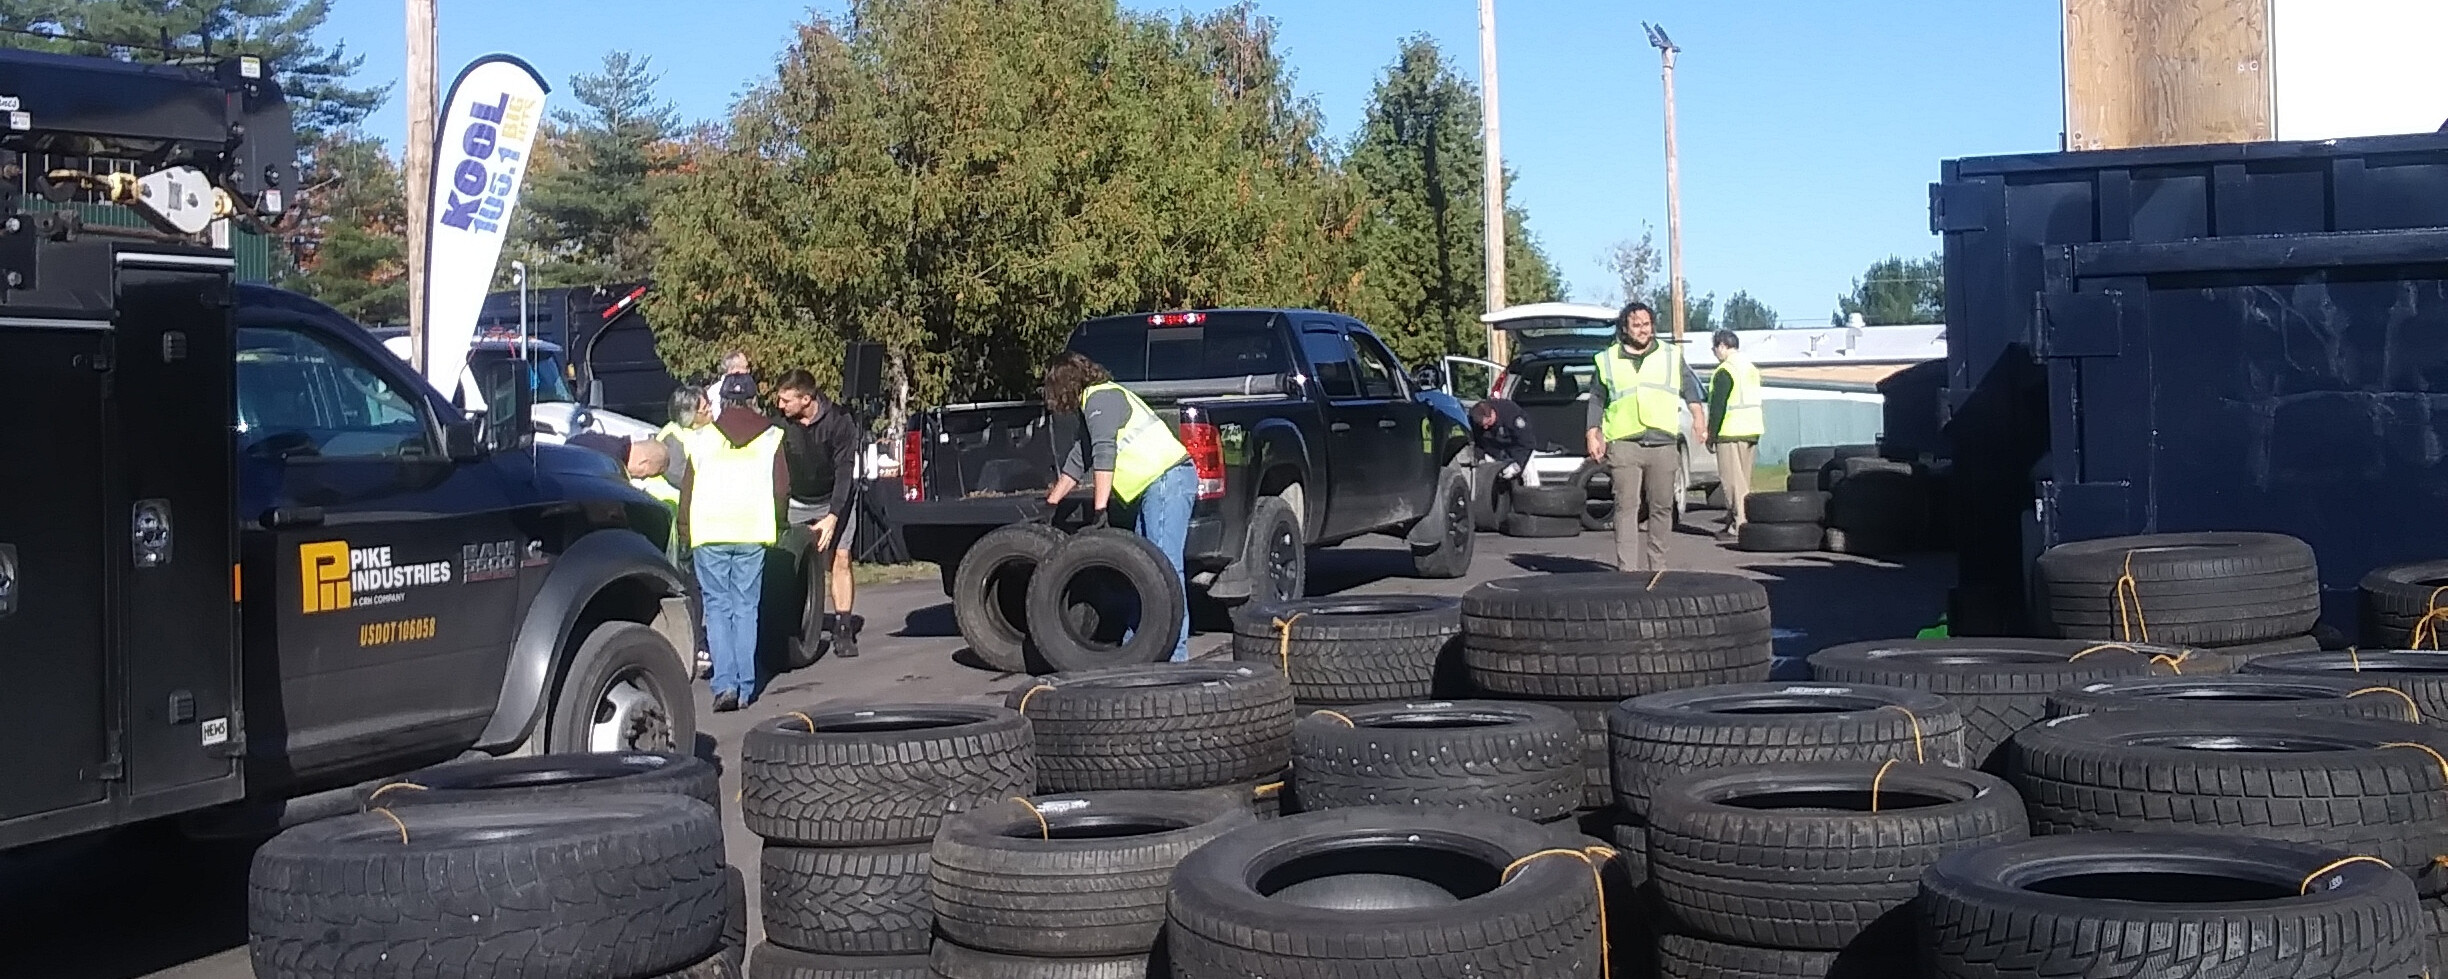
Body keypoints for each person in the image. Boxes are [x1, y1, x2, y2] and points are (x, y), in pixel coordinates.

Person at [1039, 351, 1195, 662]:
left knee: (1163, 570)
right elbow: (1080, 457)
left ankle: (1174, 655)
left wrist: (1099, 510)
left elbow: (1104, 453)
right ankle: (1139, 645)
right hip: (1153, 487)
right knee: (1143, 568)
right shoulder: (1094, 403)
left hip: (1167, 481)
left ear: (1065, 384)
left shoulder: (1101, 399)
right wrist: (1052, 502)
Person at [679, 372, 790, 712]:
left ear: (722, 400)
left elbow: (688, 489)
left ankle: (724, 684)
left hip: (710, 530)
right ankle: (745, 686)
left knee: (716, 608)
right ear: (754, 399)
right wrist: (779, 522)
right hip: (752, 530)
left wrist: (684, 529)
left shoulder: (700, 438)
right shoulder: (771, 435)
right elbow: (781, 488)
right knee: (745, 608)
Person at [1584, 301, 1707, 572]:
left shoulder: (1671, 355)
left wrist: (1698, 418)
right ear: (1625, 329)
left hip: (1662, 443)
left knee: (1662, 506)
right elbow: (1596, 398)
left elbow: (1689, 389)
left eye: (1647, 325)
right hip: (1624, 442)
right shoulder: (1607, 360)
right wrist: (1593, 432)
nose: (1643, 330)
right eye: (1636, 325)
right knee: (1626, 507)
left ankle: (1657, 568)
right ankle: (1627, 570)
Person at [775, 369, 865, 659]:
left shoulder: (840, 421)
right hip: (796, 502)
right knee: (790, 563)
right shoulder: (779, 423)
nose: (780, 405)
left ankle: (842, 627)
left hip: (833, 500)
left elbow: (845, 472)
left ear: (806, 399)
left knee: (840, 558)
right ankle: (791, 625)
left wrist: (833, 515)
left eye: (786, 400)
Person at [1706, 328, 1764, 542]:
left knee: (1732, 482)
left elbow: (1718, 406)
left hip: (1730, 431)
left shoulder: (1725, 370)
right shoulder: (1749, 368)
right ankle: (1733, 520)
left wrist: (1711, 435)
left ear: (1722, 346)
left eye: (1714, 348)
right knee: (1744, 480)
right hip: (1752, 429)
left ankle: (1740, 525)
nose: (1714, 352)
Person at [1469, 398, 1541, 488]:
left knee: (1529, 471)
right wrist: (1479, 458)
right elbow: (1478, 443)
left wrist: (1517, 465)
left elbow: (1527, 443)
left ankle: (1532, 496)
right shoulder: (1476, 420)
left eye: (1488, 423)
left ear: (1492, 412)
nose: (1486, 428)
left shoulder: (1511, 414)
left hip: (1517, 449)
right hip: (1494, 450)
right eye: (1483, 425)